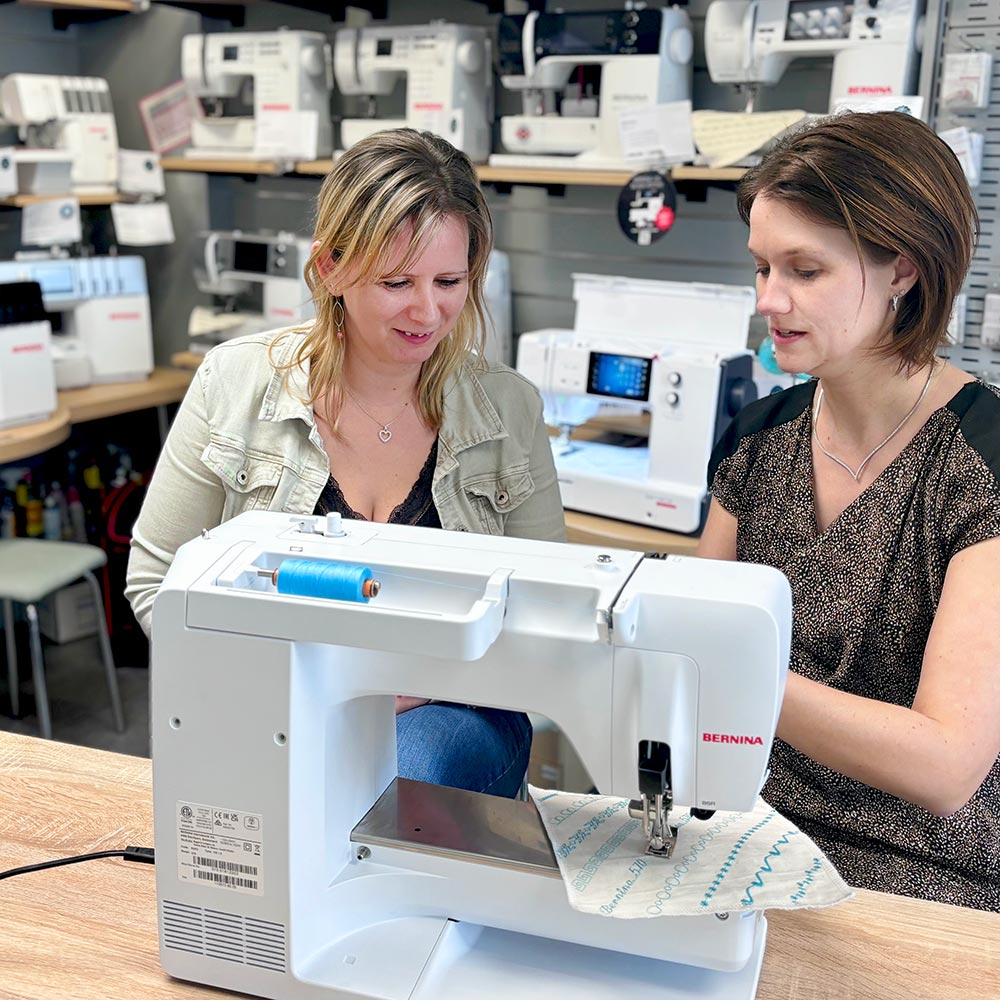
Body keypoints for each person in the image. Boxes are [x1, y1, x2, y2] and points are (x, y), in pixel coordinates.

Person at [126, 128, 566, 798]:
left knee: (391, 777)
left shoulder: (509, 410)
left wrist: (412, 686)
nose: (428, 311)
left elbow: (547, 612)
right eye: (396, 282)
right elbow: (157, 582)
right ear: (330, 267)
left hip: (451, 709)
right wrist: (294, 687)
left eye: (450, 281)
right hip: (271, 702)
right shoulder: (233, 383)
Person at [699, 111, 1000, 911]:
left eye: (805, 270)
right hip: (749, 831)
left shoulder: (981, 466)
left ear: (902, 269)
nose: (769, 299)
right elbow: (688, 661)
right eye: (762, 267)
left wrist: (731, 673)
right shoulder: (757, 442)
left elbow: (946, 766)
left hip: (922, 871)